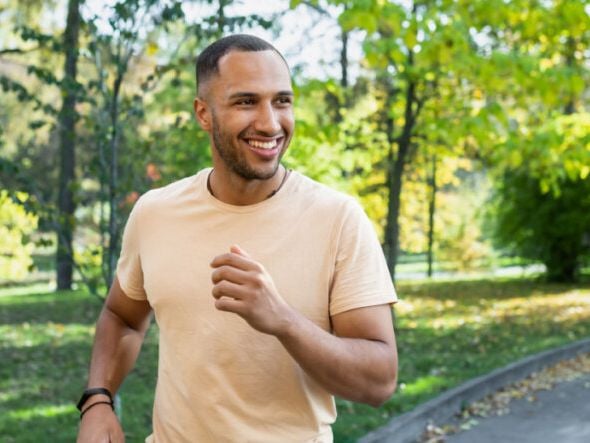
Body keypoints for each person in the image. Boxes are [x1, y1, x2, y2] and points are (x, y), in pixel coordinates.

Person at [76, 34, 398, 443]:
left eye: (282, 101)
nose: (270, 123)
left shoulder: (338, 219)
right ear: (203, 113)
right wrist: (98, 400)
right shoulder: (155, 212)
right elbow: (121, 317)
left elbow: (378, 381)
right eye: (246, 102)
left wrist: (283, 321)